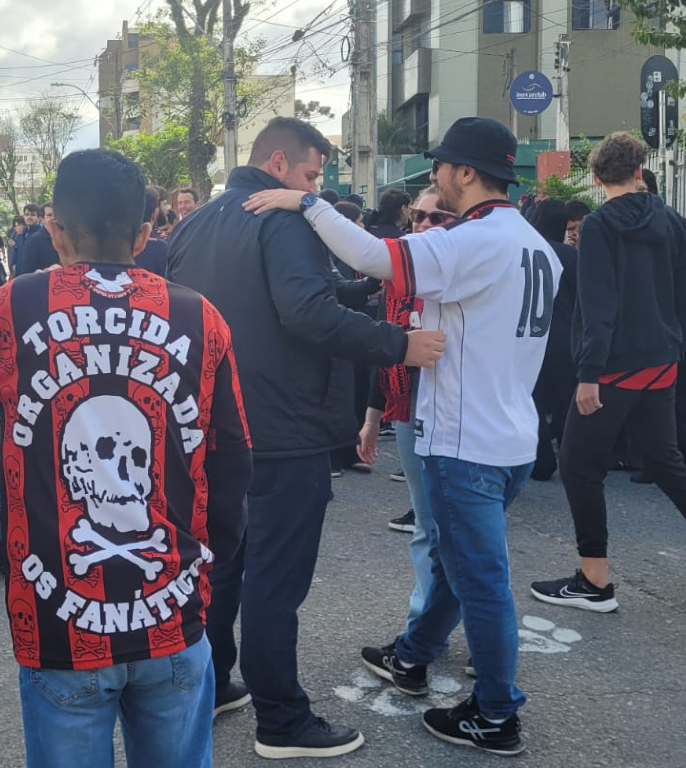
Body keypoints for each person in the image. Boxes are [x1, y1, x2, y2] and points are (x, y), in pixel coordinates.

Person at [244, 116, 561, 756]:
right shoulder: (536, 244)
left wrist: (306, 201)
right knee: (456, 558)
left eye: (442, 167)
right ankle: (413, 656)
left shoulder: (474, 240)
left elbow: (374, 257)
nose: (435, 178)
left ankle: (497, 713)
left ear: (466, 173)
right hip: (511, 436)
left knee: (482, 580)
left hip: (463, 440)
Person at [0, 148, 251, 768]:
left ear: (52, 229)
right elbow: (234, 454)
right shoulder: (199, 317)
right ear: (147, 231)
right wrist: (213, 554)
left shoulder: (12, 308)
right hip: (174, 609)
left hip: (56, 625)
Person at [169, 116, 444, 759]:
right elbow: (304, 312)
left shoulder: (194, 222)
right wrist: (399, 344)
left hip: (213, 423)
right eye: (312, 175)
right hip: (282, 424)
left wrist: (361, 289)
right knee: (275, 576)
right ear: (276, 166)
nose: (315, 186)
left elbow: (272, 298)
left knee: (225, 563)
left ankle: (212, 686)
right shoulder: (284, 218)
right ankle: (282, 720)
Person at [530, 132, 686, 614]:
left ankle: (595, 579)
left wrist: (589, 372)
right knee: (667, 463)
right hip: (662, 358)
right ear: (640, 171)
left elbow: (599, 303)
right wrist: (677, 339)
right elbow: (681, 266)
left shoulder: (598, 227)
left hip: (615, 364)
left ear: (597, 179)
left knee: (578, 465)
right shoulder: (663, 216)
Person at [358, 186, 456, 543]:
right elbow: (383, 352)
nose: (425, 224)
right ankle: (428, 598)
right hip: (405, 398)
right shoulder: (397, 279)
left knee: (450, 517)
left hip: (452, 400)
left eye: (438, 217)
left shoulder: (463, 277)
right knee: (424, 515)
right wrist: (371, 421)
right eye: (418, 216)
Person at [527, 199, 580, 481]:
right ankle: (573, 461)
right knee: (565, 402)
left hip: (531, 334)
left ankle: (541, 460)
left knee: (533, 399)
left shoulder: (526, 253)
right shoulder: (572, 257)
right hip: (565, 336)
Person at [134, 187, 168, 276]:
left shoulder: (115, 245)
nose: (166, 208)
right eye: (164, 204)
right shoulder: (162, 247)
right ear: (155, 213)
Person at [18, 203, 59, 276]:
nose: (53, 217)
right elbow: (27, 272)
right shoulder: (33, 240)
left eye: (56, 214)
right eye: (49, 215)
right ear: (42, 219)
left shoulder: (68, 238)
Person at [11, 203, 43, 275]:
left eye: (33, 215)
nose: (29, 217)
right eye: (27, 214)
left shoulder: (42, 235)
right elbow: (17, 251)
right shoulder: (21, 234)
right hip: (20, 275)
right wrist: (13, 264)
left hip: (34, 277)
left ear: (39, 217)